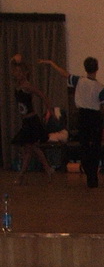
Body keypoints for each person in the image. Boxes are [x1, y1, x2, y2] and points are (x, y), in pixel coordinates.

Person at [39, 55, 104, 188]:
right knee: (95, 147)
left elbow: (63, 73)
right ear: (97, 68)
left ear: (85, 68)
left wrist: (51, 63)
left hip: (82, 116)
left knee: (84, 146)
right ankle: (93, 176)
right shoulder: (100, 87)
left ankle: (89, 173)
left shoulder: (79, 81)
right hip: (95, 117)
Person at [9, 55, 54, 184]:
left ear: (24, 73)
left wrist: (50, 110)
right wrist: (14, 60)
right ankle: (47, 170)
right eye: (16, 72)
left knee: (30, 147)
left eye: (19, 72)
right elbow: (11, 65)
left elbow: (42, 95)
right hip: (26, 121)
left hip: (32, 121)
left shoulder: (27, 86)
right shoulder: (18, 85)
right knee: (30, 148)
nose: (17, 74)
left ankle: (22, 175)